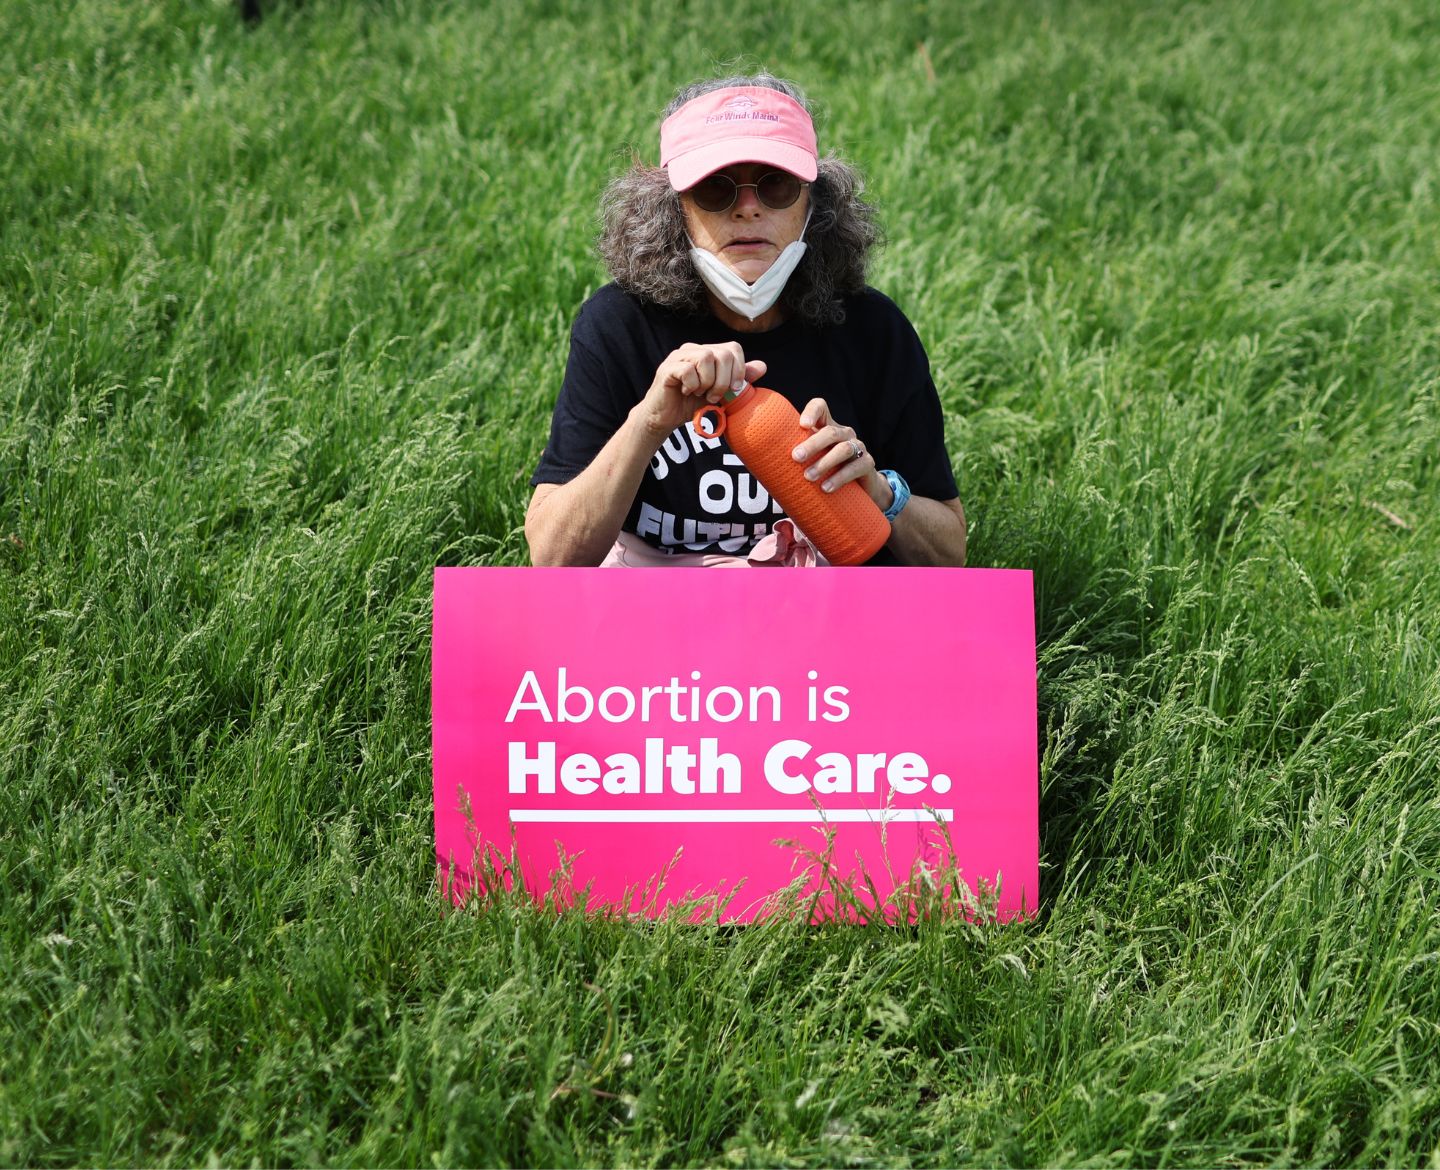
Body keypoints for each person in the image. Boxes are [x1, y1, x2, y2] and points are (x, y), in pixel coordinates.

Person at [526, 74, 966, 568]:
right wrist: (649, 421)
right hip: (651, 603)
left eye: (776, 185)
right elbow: (551, 557)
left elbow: (949, 555)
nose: (748, 209)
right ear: (675, 211)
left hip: (823, 611)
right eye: (716, 189)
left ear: (814, 204)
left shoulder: (873, 331)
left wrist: (881, 492)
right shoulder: (619, 325)